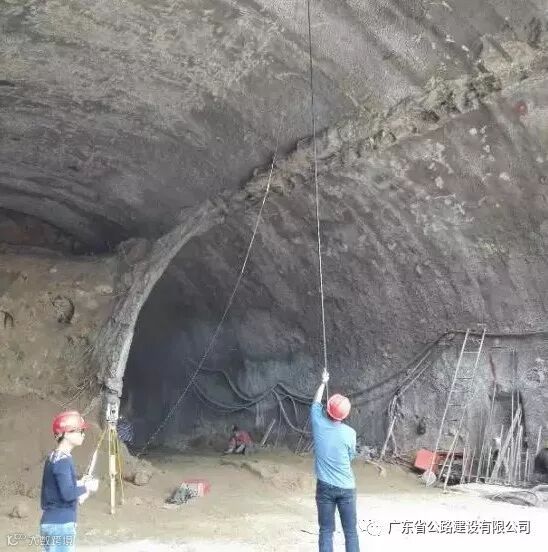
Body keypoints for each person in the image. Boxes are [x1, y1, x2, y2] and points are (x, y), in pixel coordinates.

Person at [311, 372, 359, 552]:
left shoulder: (318, 423)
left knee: (325, 530)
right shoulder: (350, 433)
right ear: (345, 415)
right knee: (351, 532)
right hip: (346, 487)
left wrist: (323, 382)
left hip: (324, 486)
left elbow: (315, 403)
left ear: (327, 410)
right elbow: (351, 456)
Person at [40, 411, 100, 551]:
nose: (83, 434)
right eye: (80, 431)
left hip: (50, 522)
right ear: (66, 433)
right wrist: (87, 486)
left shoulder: (53, 457)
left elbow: (57, 489)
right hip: (61, 526)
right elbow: (67, 494)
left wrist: (79, 483)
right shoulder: (63, 461)